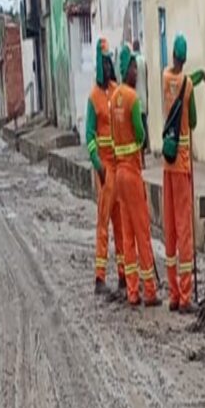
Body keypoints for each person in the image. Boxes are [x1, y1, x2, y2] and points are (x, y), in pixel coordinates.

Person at [161, 33, 205, 312]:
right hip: (181, 163)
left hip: (166, 164)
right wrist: (199, 79)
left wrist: (199, 76)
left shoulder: (164, 76)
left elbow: (181, 78)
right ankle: (185, 295)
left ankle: (172, 293)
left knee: (169, 228)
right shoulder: (188, 87)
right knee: (184, 229)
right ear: (185, 56)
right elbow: (191, 120)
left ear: (172, 56)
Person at [110, 45, 160, 307]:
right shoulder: (131, 98)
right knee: (142, 231)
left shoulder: (113, 98)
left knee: (127, 235)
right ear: (128, 68)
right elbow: (141, 135)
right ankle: (149, 290)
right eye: (133, 68)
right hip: (131, 171)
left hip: (118, 173)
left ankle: (132, 291)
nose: (135, 72)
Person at [84, 38, 126, 297]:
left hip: (120, 165)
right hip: (105, 168)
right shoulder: (93, 98)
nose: (110, 67)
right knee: (104, 222)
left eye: (111, 62)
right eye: (106, 62)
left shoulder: (116, 91)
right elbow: (89, 135)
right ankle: (100, 277)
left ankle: (124, 274)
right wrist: (97, 164)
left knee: (121, 222)